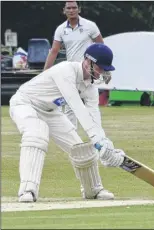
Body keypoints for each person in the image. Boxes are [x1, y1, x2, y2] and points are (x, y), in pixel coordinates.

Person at [9, 43, 125, 203]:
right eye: (99, 68)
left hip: (51, 111)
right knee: (37, 132)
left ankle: (93, 190)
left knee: (80, 149)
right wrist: (97, 139)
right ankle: (27, 190)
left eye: (104, 70)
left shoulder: (90, 87)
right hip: (25, 103)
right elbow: (77, 107)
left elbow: (94, 117)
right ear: (87, 61)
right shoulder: (65, 71)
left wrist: (105, 145)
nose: (101, 73)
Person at [44, 1, 111, 128]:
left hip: (89, 72)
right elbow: (54, 51)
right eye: (68, 8)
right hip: (71, 73)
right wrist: (45, 73)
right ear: (64, 10)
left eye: (74, 7)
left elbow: (102, 47)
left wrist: (106, 70)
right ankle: (73, 142)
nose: (71, 10)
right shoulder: (61, 29)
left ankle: (99, 140)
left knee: (92, 107)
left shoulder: (90, 26)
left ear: (79, 9)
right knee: (69, 109)